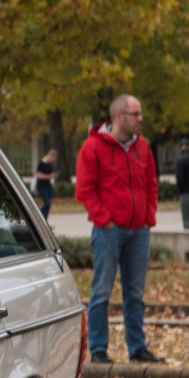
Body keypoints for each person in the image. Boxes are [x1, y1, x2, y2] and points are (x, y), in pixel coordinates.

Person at [75, 93, 162, 364]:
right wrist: (104, 219)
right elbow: (84, 190)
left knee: (135, 293)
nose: (140, 119)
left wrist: (148, 217)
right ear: (118, 117)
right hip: (108, 231)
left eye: (139, 114)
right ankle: (99, 349)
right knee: (102, 290)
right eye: (135, 114)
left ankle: (137, 348)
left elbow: (151, 183)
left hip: (138, 231)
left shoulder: (142, 147)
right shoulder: (92, 147)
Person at [33, 148, 58, 219]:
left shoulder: (50, 164)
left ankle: (45, 219)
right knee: (47, 203)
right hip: (41, 186)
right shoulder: (42, 163)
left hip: (48, 186)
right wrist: (49, 176)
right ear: (50, 155)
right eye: (52, 159)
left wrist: (54, 176)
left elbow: (51, 173)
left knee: (49, 204)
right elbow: (38, 175)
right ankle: (39, 214)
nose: (53, 161)